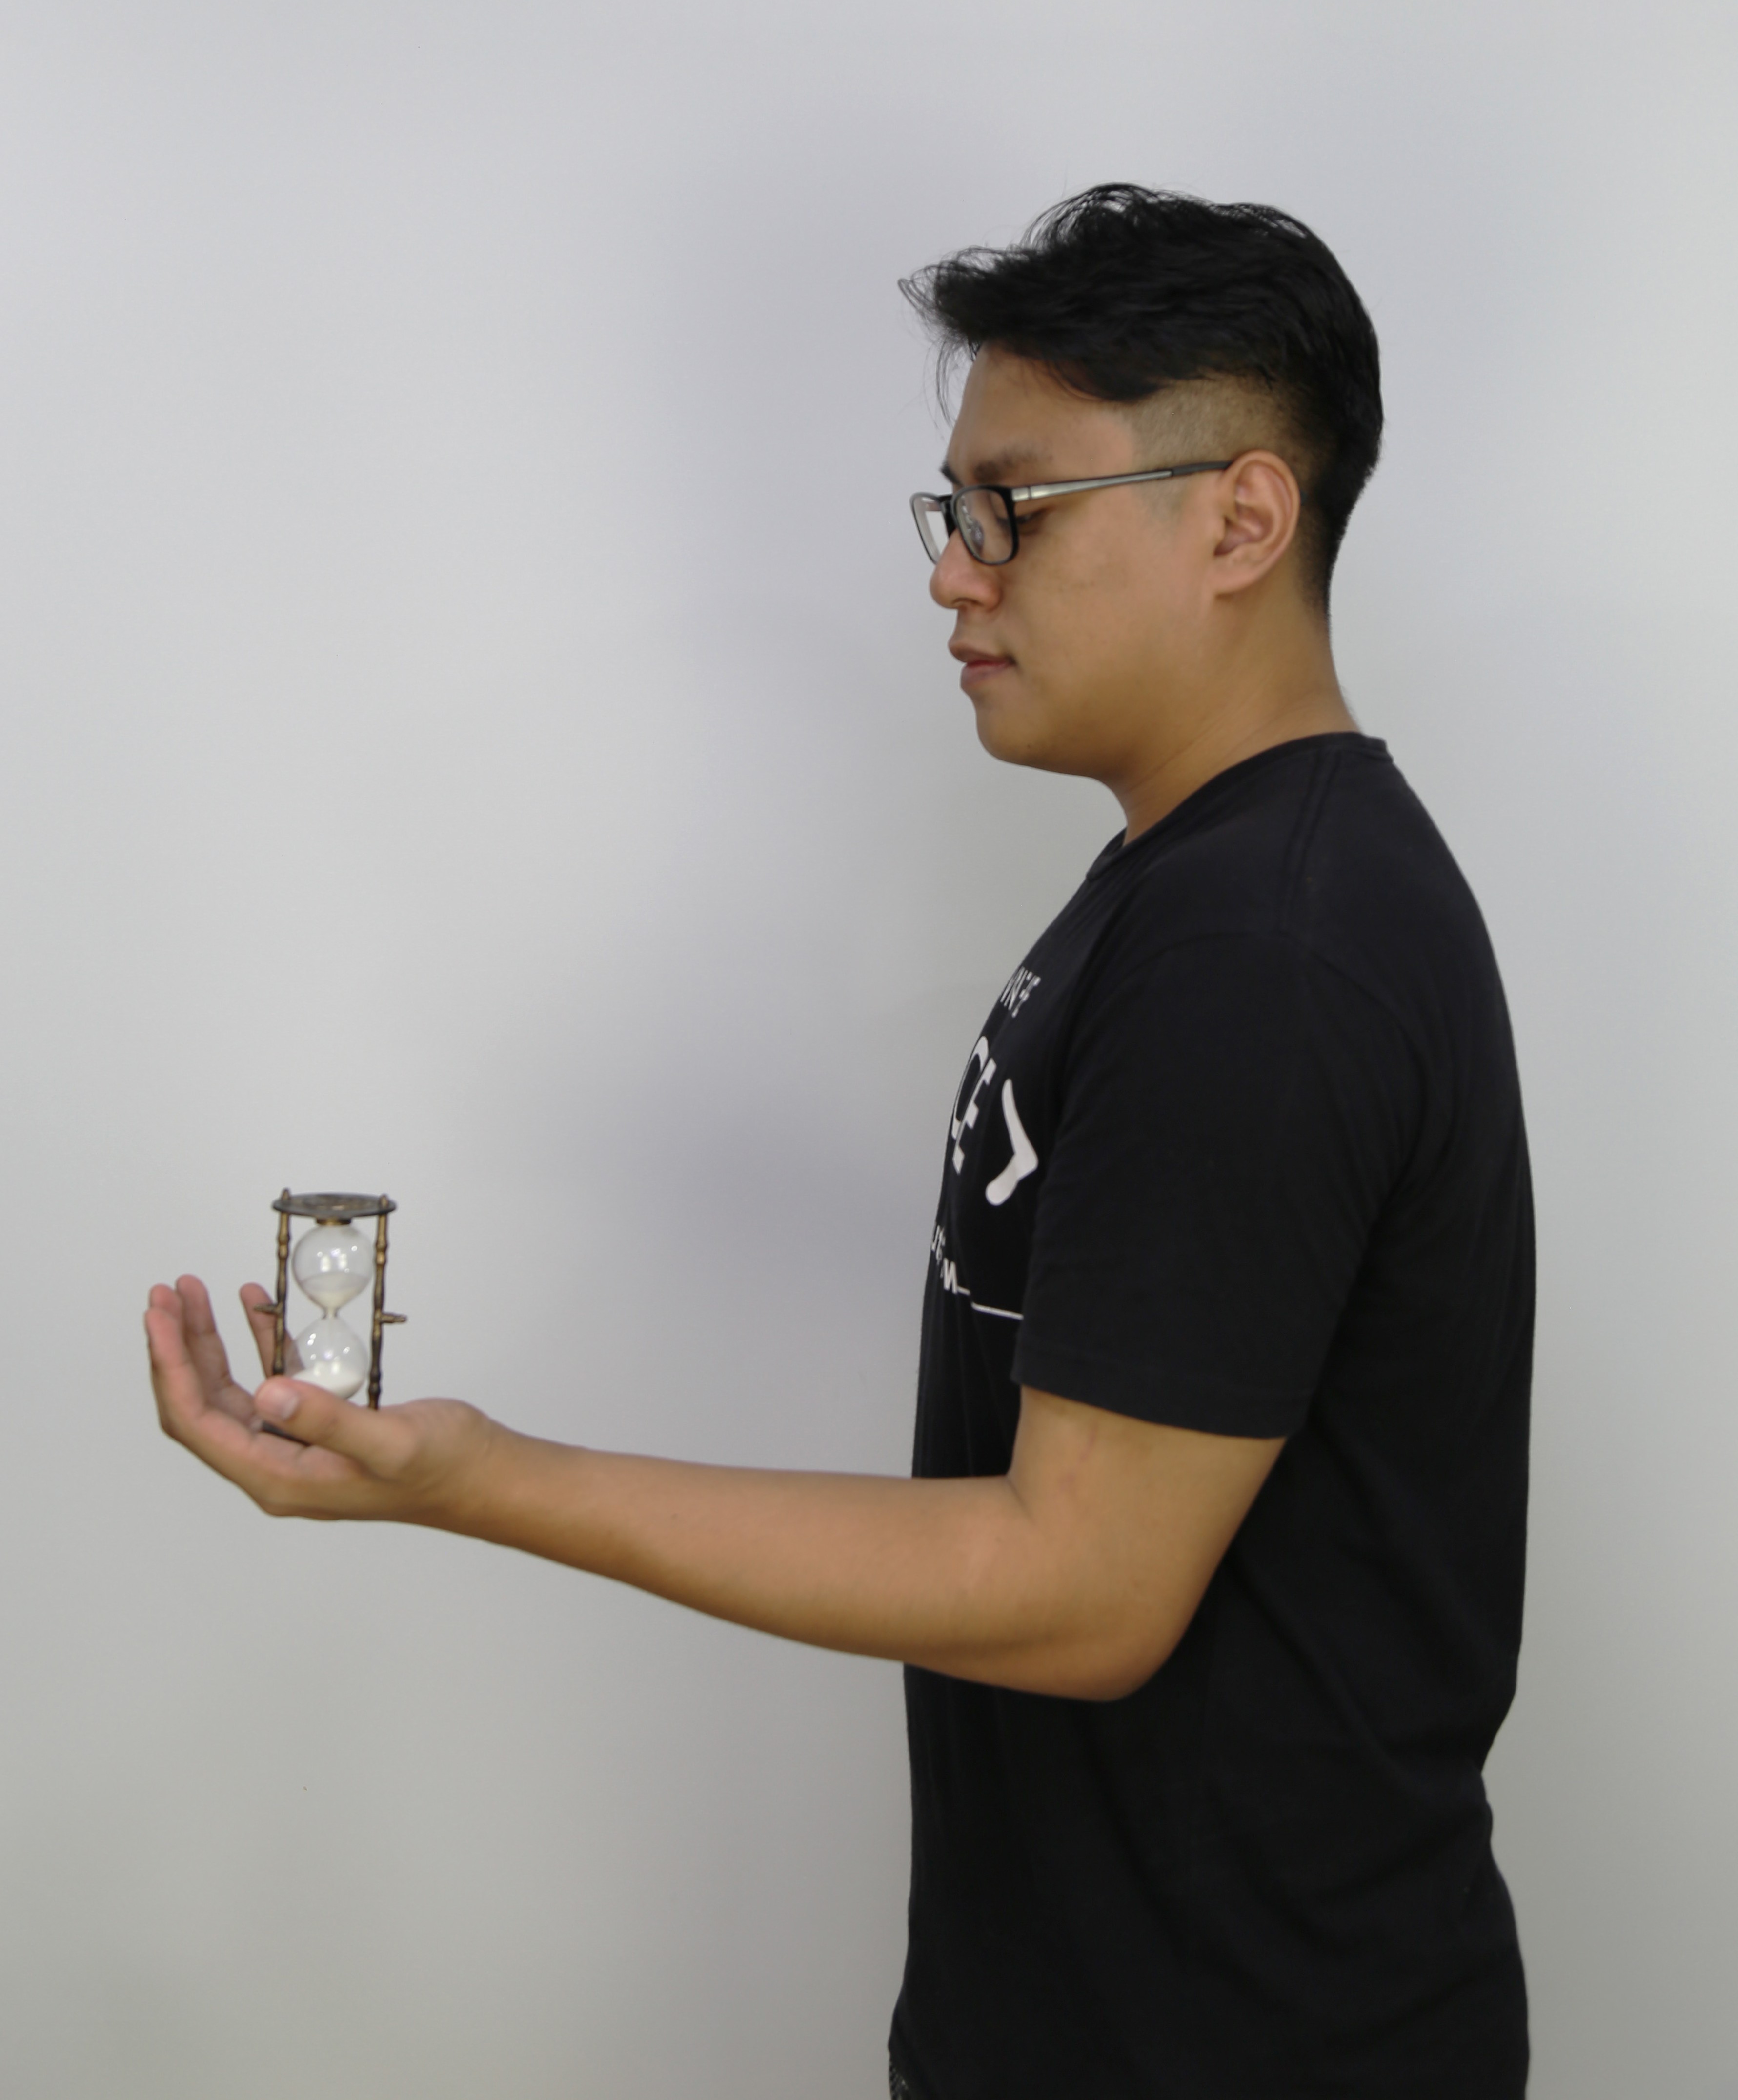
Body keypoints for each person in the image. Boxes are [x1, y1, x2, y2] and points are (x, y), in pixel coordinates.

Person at [148, 185, 1532, 2099]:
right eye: (947, 513)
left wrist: (480, 1479)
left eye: (1013, 510)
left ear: (1240, 520)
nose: (955, 574)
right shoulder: (1196, 893)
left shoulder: (1265, 948)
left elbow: (1080, 1586)